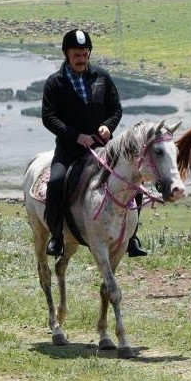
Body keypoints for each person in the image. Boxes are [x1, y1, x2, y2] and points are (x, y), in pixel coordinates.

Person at [41, 28, 148, 258]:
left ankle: (132, 237)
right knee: (56, 182)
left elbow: (116, 108)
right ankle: (57, 236)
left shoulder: (102, 77)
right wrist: (75, 135)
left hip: (102, 147)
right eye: (76, 55)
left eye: (84, 54)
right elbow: (48, 118)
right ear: (66, 55)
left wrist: (108, 126)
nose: (81, 59)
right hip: (69, 148)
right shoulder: (55, 83)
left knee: (133, 178)